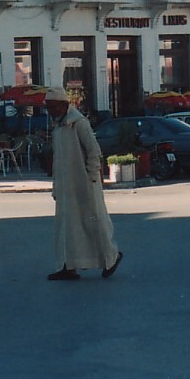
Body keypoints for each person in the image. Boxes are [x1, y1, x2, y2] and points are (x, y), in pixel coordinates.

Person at [43, 87, 122, 281]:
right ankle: (67, 266)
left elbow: (94, 152)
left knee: (94, 223)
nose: (50, 111)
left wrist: (92, 178)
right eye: (48, 108)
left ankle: (111, 257)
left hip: (84, 184)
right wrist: (56, 185)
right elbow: (58, 160)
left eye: (53, 107)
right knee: (66, 227)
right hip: (66, 186)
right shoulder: (58, 128)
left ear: (64, 105)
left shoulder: (79, 124)